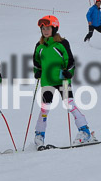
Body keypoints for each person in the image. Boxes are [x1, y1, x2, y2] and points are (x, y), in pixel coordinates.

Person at [33, 15, 95, 148]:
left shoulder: (62, 43)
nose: (45, 31)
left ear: (54, 28)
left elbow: (70, 61)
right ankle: (39, 135)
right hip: (47, 81)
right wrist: (37, 71)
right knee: (45, 108)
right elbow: (36, 62)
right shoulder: (39, 46)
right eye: (43, 29)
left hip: (62, 79)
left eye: (48, 28)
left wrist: (69, 72)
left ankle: (85, 132)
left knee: (69, 104)